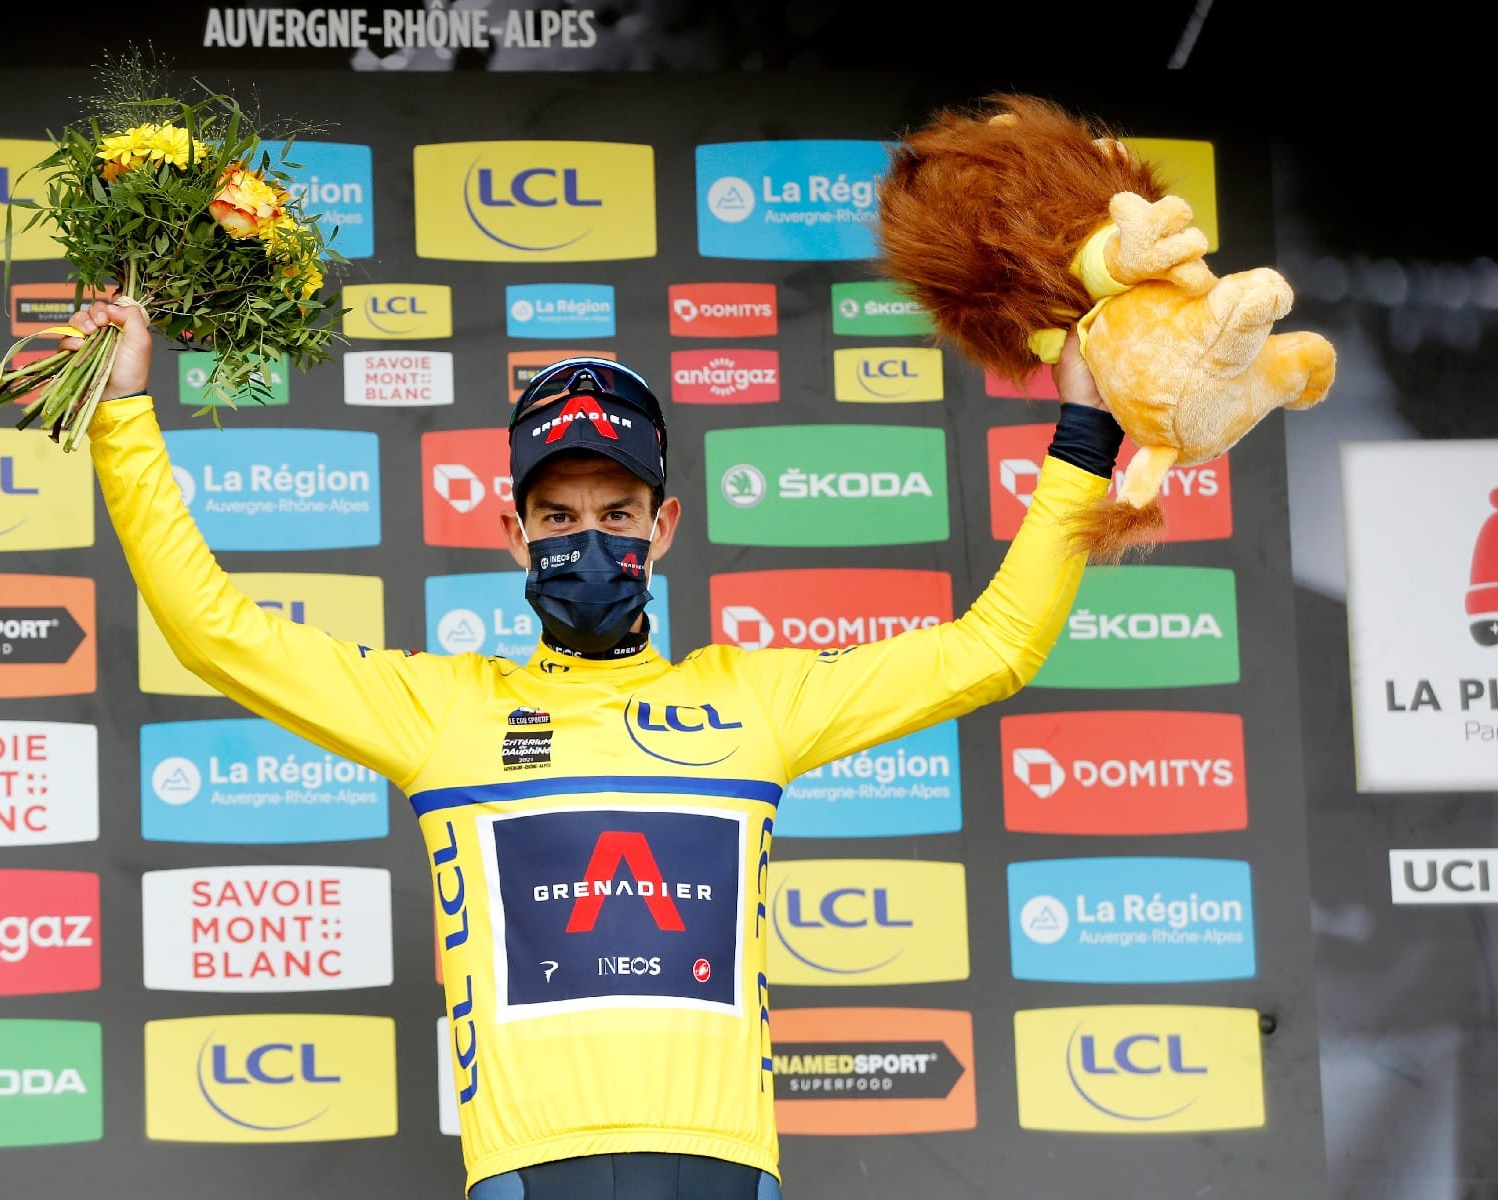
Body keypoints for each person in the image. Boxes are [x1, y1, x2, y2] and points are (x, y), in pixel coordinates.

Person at [63, 299, 1119, 1200]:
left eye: (618, 513)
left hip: (722, 1165)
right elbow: (213, 633)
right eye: (558, 515)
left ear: (665, 527)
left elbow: (995, 649)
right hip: (531, 1168)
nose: (591, 539)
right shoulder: (443, 712)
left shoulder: (754, 700)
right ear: (513, 533)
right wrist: (121, 409)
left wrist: (1085, 430)